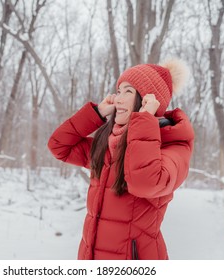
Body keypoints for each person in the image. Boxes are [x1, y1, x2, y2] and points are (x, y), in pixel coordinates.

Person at [48, 59, 194, 260]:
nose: (117, 99)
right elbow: (59, 146)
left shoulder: (173, 146)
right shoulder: (107, 145)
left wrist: (144, 120)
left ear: (147, 101)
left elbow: (145, 183)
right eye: (118, 90)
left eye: (128, 92)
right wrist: (96, 114)